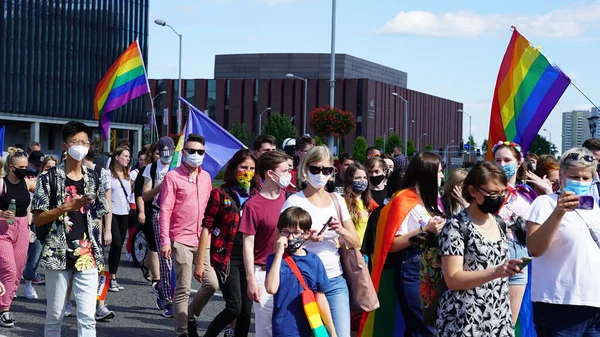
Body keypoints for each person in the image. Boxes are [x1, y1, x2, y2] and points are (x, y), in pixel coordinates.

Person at [32, 121, 110, 337]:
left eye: (85, 142)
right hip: (58, 254)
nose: (81, 146)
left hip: (87, 255)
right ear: (65, 146)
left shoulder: (94, 177)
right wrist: (65, 207)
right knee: (55, 317)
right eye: (75, 142)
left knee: (87, 318)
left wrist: (101, 242)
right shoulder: (48, 178)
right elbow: (38, 219)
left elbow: (101, 213)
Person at [359, 152, 444, 337]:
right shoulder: (403, 200)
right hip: (412, 272)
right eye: (438, 171)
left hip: (431, 271)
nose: (442, 176)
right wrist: (425, 229)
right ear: (427, 174)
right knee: (425, 328)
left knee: (417, 328)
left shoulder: (430, 200)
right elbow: (392, 244)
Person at [282, 145, 360, 337]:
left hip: (334, 279)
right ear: (305, 169)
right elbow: (281, 241)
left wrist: (340, 230)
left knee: (341, 334)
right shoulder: (294, 201)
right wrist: (305, 238)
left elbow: (355, 241)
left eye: (326, 170)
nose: (320, 174)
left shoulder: (337, 200)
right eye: (315, 169)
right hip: (303, 281)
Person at [437, 161, 522, 336]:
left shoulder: (498, 222)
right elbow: (452, 279)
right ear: (473, 191)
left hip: (498, 318)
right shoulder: (456, 226)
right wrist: (497, 271)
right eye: (492, 193)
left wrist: (509, 268)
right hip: (464, 320)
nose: (498, 197)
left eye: (502, 192)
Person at [526, 147, 600, 335]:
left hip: (594, 304)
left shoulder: (595, 208)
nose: (580, 182)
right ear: (561, 176)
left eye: (585, 177)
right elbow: (534, 249)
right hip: (559, 304)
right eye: (574, 176)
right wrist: (558, 213)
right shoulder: (545, 203)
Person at [198, 149, 260, 337]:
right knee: (234, 307)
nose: (247, 172)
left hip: (250, 259)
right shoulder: (220, 194)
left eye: (251, 168)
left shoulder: (256, 195)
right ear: (234, 168)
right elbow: (206, 226)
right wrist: (200, 262)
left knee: (246, 311)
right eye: (243, 167)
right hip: (226, 257)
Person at [158, 134, 213, 337]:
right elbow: (165, 210)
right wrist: (165, 240)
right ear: (183, 153)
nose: (196, 155)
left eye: (200, 152)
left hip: (203, 240)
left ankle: (190, 315)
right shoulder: (173, 177)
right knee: (183, 288)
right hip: (180, 239)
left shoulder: (206, 177)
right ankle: (182, 331)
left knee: (212, 283)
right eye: (191, 151)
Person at [239, 151, 291, 337]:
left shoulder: (290, 199)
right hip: (263, 272)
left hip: (289, 271)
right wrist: (251, 279)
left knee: (288, 325)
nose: (289, 175)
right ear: (270, 173)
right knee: (266, 328)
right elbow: (248, 244)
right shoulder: (253, 206)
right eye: (285, 170)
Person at [265, 207, 337, 337]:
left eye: (296, 232)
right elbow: (271, 288)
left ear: (306, 233)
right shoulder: (274, 259)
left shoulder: (314, 260)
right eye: (286, 232)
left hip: (311, 327)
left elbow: (321, 297)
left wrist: (332, 332)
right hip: (284, 329)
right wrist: (279, 253)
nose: (291, 237)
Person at [493, 141, 538, 325]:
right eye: (497, 160)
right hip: (491, 257)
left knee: (509, 322)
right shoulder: (487, 193)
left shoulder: (528, 193)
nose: (502, 165)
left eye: (507, 160)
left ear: (519, 163)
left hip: (519, 256)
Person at [0, 150, 36, 327]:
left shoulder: (26, 183)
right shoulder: (2, 183)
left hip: (22, 228)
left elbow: (46, 187)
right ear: (12, 167)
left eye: (26, 166)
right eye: (21, 167)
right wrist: (1, 212)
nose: (25, 169)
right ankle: (4, 309)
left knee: (19, 269)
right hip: (3, 229)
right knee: (9, 269)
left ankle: (5, 302)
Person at [142, 136, 175, 317]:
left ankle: (165, 285)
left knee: (180, 257)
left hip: (178, 215)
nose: (166, 158)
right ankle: (169, 299)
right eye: (163, 155)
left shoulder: (178, 165)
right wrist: (161, 186)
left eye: (169, 154)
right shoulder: (151, 168)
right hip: (158, 212)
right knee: (165, 256)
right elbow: (145, 195)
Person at [22, 155, 58, 301]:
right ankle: (28, 283)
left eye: (53, 167)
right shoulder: (35, 183)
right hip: (37, 224)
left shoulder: (59, 184)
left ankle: (56, 292)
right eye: (48, 167)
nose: (50, 170)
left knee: (54, 260)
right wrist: (28, 226)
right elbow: (29, 205)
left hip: (55, 226)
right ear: (43, 167)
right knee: (35, 257)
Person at [107, 147, 131, 292]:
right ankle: (111, 277)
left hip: (125, 213)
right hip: (113, 213)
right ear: (116, 157)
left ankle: (113, 277)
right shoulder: (108, 174)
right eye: (125, 156)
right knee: (115, 244)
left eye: (129, 156)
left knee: (119, 245)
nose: (128, 158)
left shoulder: (128, 175)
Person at [135, 143, 160, 284]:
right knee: (154, 245)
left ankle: (146, 263)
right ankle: (157, 280)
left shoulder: (171, 170)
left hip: (164, 213)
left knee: (160, 246)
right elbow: (139, 194)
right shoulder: (146, 170)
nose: (161, 156)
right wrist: (142, 212)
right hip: (149, 212)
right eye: (157, 153)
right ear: (151, 154)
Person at [343, 163, 377, 245]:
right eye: (358, 178)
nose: (362, 180)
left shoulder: (370, 202)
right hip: (350, 250)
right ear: (349, 179)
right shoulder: (343, 202)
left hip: (366, 251)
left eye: (365, 178)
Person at [583, 138, 600, 206]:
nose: (597, 164)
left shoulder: (597, 182)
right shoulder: (570, 181)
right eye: (594, 159)